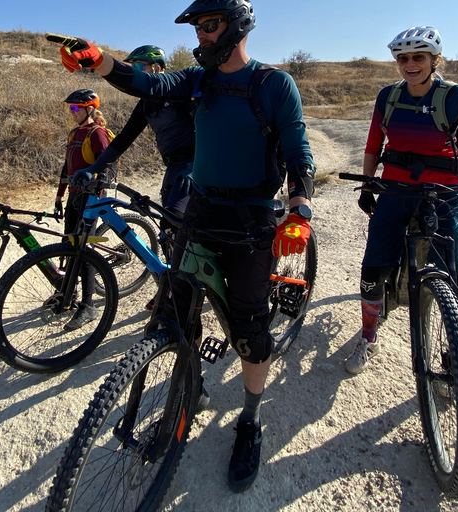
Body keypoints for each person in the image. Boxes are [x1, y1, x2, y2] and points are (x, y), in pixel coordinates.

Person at [49, 0, 315, 493]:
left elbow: (297, 146)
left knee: (251, 329)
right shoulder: (197, 80)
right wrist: (97, 59)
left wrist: (299, 198)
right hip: (200, 211)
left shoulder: (273, 84)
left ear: (237, 26)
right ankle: (184, 388)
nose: (202, 37)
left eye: (209, 26)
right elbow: (147, 84)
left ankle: (250, 422)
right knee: (177, 307)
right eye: (198, 28)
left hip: (252, 217)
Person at [345, 26, 458, 375]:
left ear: (434, 60)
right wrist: (366, 187)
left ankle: (456, 353)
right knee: (372, 269)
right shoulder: (388, 97)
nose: (410, 64)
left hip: (445, 193)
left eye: (418, 57)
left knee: (455, 275)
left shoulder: (456, 97)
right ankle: (368, 337)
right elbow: (374, 145)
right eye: (403, 58)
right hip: (396, 190)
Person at [78, 45, 196, 309]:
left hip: (195, 164)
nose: (136, 72)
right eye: (134, 68)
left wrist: (198, 167)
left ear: (155, 68)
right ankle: (172, 286)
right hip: (174, 167)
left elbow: (209, 130)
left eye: (139, 67)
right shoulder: (146, 105)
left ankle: (184, 292)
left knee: (178, 223)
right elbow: (122, 141)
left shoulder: (179, 93)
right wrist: (95, 167)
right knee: (168, 230)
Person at [54, 88, 114, 331]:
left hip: (90, 199)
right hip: (73, 197)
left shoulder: (97, 133)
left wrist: (95, 193)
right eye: (71, 108)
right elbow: (66, 168)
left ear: (90, 109)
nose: (73, 112)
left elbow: (107, 165)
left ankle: (89, 305)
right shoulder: (74, 134)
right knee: (70, 244)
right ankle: (70, 293)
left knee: (84, 248)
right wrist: (59, 195)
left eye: (76, 108)